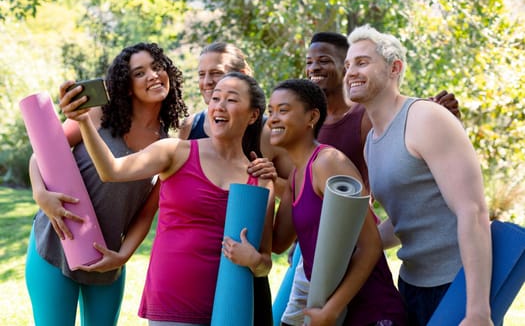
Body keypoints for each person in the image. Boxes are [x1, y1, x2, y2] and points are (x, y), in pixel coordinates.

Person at [275, 31, 461, 326]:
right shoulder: (304, 133)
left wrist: (438, 118)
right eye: (309, 62)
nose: (314, 68)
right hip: (317, 249)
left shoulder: (364, 118)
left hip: (357, 242)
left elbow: (400, 131)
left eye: (325, 61)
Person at [61, 71, 275, 325]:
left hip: (230, 306)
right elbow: (111, 171)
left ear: (253, 115)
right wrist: (84, 122)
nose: (219, 105)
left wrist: (254, 261)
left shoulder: (260, 179)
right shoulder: (174, 151)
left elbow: (265, 262)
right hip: (172, 300)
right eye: (216, 98)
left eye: (231, 99)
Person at [25, 42, 188, 325]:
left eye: (157, 67)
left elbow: (147, 213)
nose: (152, 75)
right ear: (126, 86)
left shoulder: (167, 145)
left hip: (107, 258)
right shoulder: (98, 115)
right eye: (139, 73)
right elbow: (42, 155)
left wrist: (122, 257)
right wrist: (41, 196)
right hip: (54, 244)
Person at [345, 24, 493, 326]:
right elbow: (405, 222)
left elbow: (473, 210)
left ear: (394, 68)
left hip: (457, 284)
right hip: (412, 286)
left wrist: (477, 310)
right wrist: (349, 244)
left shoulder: (425, 118)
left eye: (362, 62)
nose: (350, 72)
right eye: (347, 65)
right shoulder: (372, 143)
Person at [271, 79, 407, 326]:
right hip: (332, 311)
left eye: (283, 110)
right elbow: (278, 243)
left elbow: (370, 246)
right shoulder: (295, 175)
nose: (273, 119)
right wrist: (263, 184)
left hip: (370, 309)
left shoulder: (328, 163)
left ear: (312, 117)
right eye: (270, 111)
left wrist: (331, 310)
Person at [180, 42, 288, 326]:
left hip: (243, 276)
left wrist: (275, 179)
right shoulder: (187, 128)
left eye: (216, 73)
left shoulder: (266, 130)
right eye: (201, 74)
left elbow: (301, 190)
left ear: (242, 75)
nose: (207, 82)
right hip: (190, 277)